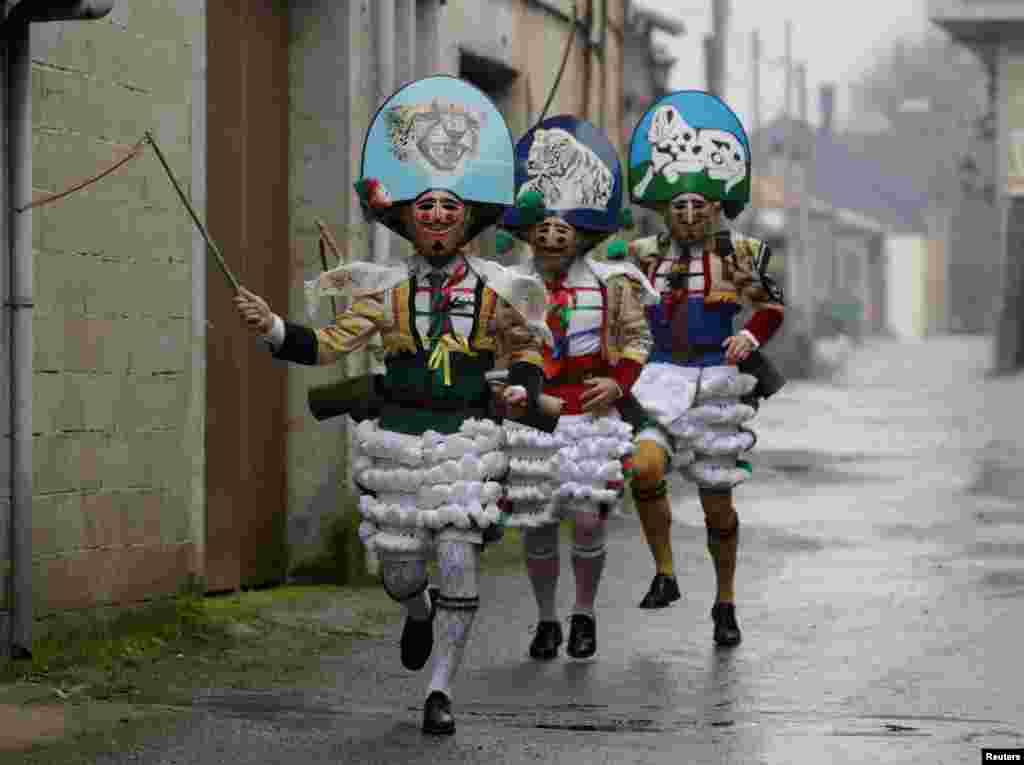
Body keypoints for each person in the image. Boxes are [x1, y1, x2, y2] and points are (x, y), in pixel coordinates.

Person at [234, 75, 551, 735]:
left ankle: (440, 689)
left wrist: (523, 382)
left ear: (468, 218)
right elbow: (325, 344)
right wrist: (270, 326)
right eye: (425, 205)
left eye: (449, 205)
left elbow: (526, 348)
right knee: (402, 572)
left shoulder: (497, 292)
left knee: (461, 554)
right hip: (399, 444)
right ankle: (416, 611)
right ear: (407, 217)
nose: (437, 215)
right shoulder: (384, 295)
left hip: (465, 442)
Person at [624, 90, 786, 646]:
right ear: (665, 206)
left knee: (718, 501)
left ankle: (726, 600)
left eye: (700, 205)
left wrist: (748, 333)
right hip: (660, 374)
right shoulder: (641, 254)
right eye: (679, 206)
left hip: (717, 377)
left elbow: (770, 307)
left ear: (717, 203)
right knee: (643, 468)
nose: (689, 215)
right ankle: (665, 572)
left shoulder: (740, 253)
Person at [498, 116, 656, 661]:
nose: (551, 237)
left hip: (589, 410)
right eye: (542, 226)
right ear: (528, 231)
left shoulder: (616, 283)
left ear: (586, 232)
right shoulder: (507, 286)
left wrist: (619, 382)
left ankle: (584, 613)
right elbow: (489, 342)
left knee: (588, 519)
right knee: (538, 524)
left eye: (564, 227)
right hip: (533, 412)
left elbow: (637, 338)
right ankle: (546, 619)